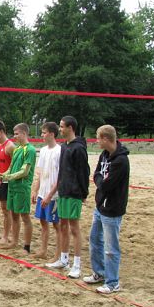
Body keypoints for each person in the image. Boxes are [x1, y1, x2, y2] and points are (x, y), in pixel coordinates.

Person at [83, 125, 130, 294]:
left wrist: (101, 181)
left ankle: (112, 282)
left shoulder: (121, 160)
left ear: (105, 139)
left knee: (111, 248)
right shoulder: (104, 155)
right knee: (95, 241)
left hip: (112, 208)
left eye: (98, 138)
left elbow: (107, 185)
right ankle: (99, 273)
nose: (96, 141)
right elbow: (96, 174)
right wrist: (100, 181)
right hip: (100, 206)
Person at [46, 116, 89, 279]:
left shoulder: (78, 148)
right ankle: (64, 259)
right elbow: (62, 171)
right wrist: (55, 191)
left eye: (62, 127)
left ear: (70, 128)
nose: (60, 129)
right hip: (63, 191)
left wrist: (83, 193)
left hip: (74, 192)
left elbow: (84, 172)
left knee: (74, 228)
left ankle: (77, 265)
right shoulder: (65, 146)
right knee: (63, 225)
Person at [0, 123, 36, 254]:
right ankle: (14, 242)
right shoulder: (18, 149)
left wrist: (8, 177)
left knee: (25, 216)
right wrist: (2, 175)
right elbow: (11, 167)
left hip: (22, 187)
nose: (15, 136)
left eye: (17, 133)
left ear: (24, 133)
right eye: (14, 133)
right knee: (14, 215)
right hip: (13, 186)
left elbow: (25, 171)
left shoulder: (30, 150)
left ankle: (27, 247)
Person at [31, 122, 61, 260]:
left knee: (56, 225)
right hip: (43, 193)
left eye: (44, 132)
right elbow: (40, 173)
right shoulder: (43, 151)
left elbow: (60, 178)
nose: (42, 135)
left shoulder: (59, 151)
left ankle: (58, 254)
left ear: (52, 134)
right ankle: (43, 250)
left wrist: (50, 195)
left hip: (53, 195)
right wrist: (35, 191)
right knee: (43, 222)